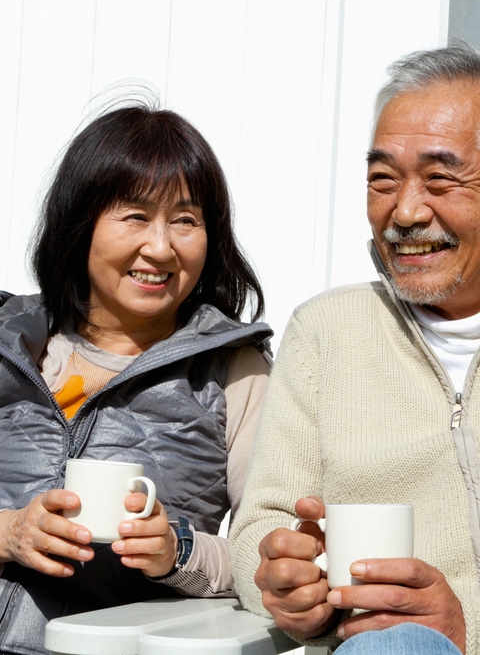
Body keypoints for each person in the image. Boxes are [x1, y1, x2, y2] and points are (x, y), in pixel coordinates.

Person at [230, 43, 480, 655]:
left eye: (440, 178)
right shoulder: (326, 331)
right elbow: (260, 521)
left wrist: (464, 621)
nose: (406, 212)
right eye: (382, 180)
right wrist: (283, 583)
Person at [0, 101, 272, 655]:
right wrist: (9, 533)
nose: (161, 247)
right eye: (135, 215)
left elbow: (266, 552)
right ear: (81, 224)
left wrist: (178, 553)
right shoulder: (9, 342)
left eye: (186, 220)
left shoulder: (236, 368)